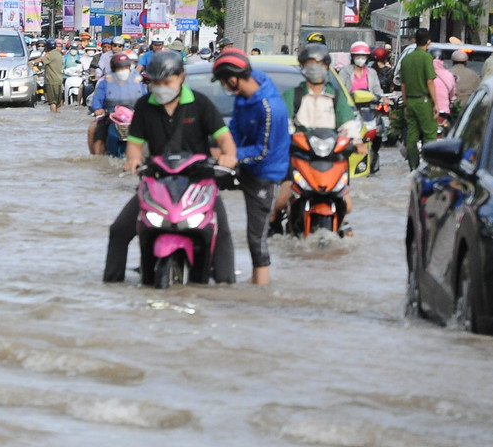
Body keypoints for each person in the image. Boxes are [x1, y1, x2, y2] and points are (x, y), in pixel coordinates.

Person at [106, 50, 237, 283]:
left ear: (181, 77)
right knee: (119, 230)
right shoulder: (144, 105)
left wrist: (228, 156)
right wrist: (133, 160)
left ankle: (226, 287)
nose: (161, 88)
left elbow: (225, 139)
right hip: (156, 181)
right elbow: (134, 144)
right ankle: (111, 285)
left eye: (166, 82)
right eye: (156, 83)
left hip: (199, 182)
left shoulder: (200, 103)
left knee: (222, 233)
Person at [211, 50, 290, 285]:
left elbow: (263, 152)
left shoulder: (269, 107)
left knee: (256, 238)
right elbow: (234, 129)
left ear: (233, 78)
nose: (223, 86)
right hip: (240, 164)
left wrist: (232, 156)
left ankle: (260, 289)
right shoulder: (243, 97)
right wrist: (224, 150)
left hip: (264, 174)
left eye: (223, 81)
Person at [275, 42, 363, 228]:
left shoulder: (336, 96)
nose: (315, 67)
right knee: (282, 200)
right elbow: (283, 122)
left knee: (347, 205)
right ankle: (271, 226)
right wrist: (287, 139)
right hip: (300, 155)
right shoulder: (293, 95)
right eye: (310, 63)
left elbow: (347, 123)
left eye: (320, 63)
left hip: (331, 158)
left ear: (326, 66)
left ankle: (341, 226)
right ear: (303, 67)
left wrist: (356, 142)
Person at [90, 52, 146, 155]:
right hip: (111, 116)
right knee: (95, 132)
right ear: (114, 69)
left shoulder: (136, 81)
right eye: (120, 68)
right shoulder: (105, 82)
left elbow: (145, 98)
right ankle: (98, 158)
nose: (123, 70)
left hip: (133, 116)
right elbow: (97, 98)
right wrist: (98, 108)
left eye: (126, 67)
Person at [400, 29, 439, 170]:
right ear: (428, 42)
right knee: (430, 136)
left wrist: (406, 103)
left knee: (411, 137)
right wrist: (436, 103)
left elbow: (403, 85)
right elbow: (430, 81)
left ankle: (414, 168)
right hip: (424, 102)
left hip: (410, 102)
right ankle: (428, 169)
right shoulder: (427, 58)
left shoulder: (406, 59)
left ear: (414, 40)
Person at [40, 39, 65, 112]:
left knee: (52, 102)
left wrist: (31, 62)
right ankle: (57, 117)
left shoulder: (49, 54)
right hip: (59, 80)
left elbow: (41, 59)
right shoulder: (59, 54)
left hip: (52, 81)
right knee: (58, 103)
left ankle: (52, 116)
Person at [432, 55, 457, 126]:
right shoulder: (449, 75)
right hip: (444, 111)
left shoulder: (425, 74)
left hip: (429, 110)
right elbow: (452, 94)